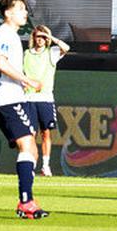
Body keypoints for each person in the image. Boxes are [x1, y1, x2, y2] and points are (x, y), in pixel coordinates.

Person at [0, 0, 49, 219]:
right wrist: (26, 80)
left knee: (31, 148)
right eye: (20, 9)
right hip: (9, 99)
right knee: (28, 147)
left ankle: (26, 200)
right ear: (8, 13)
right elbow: (0, 64)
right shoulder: (6, 34)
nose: (25, 13)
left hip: (6, 98)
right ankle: (26, 202)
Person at [23, 24, 69, 177]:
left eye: (43, 37)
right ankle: (31, 165)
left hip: (45, 99)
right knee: (30, 134)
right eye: (38, 36)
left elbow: (66, 47)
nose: (41, 40)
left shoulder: (52, 53)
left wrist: (51, 37)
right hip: (29, 98)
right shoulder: (26, 54)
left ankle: (46, 166)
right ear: (33, 38)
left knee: (46, 133)